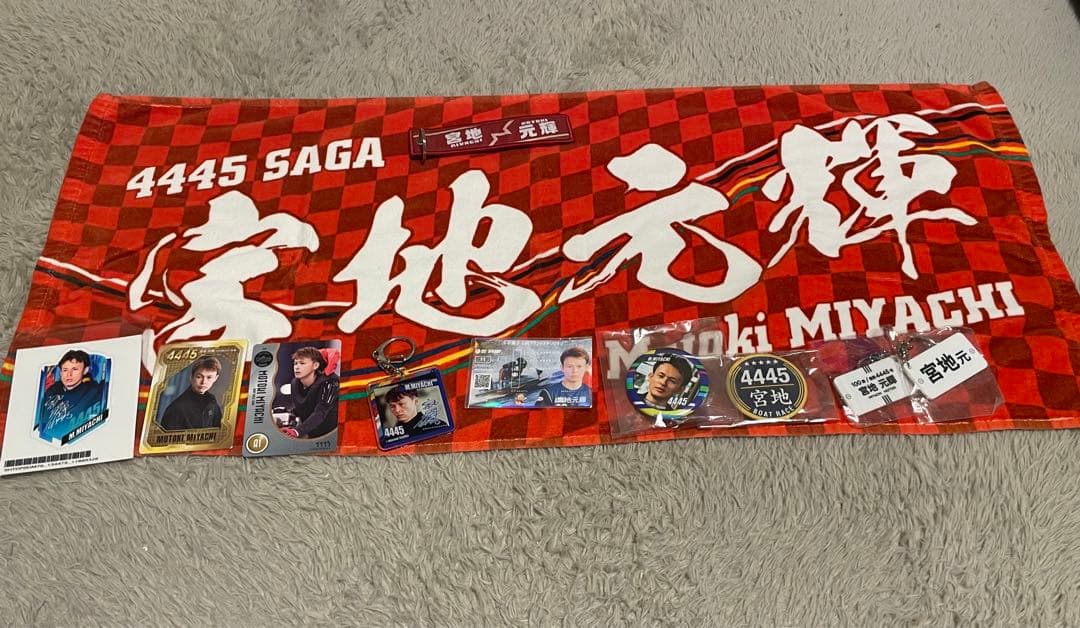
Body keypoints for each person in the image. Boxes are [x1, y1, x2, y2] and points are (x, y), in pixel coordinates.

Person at [276, 347, 339, 439]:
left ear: (315, 365)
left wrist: (297, 431)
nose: (297, 367)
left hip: (333, 436)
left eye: (302, 363)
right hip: (311, 436)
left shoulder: (330, 382)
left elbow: (321, 412)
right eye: (295, 363)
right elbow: (305, 407)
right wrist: (286, 413)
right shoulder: (294, 383)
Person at [39, 349, 106, 435]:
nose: (69, 374)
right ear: (60, 372)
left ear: (85, 370)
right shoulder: (51, 391)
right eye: (65, 370)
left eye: (74, 369)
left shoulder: (93, 392)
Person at [159, 357, 224, 430]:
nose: (204, 382)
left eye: (209, 377)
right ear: (191, 377)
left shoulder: (212, 402)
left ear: (215, 378)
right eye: (199, 377)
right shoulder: (176, 408)